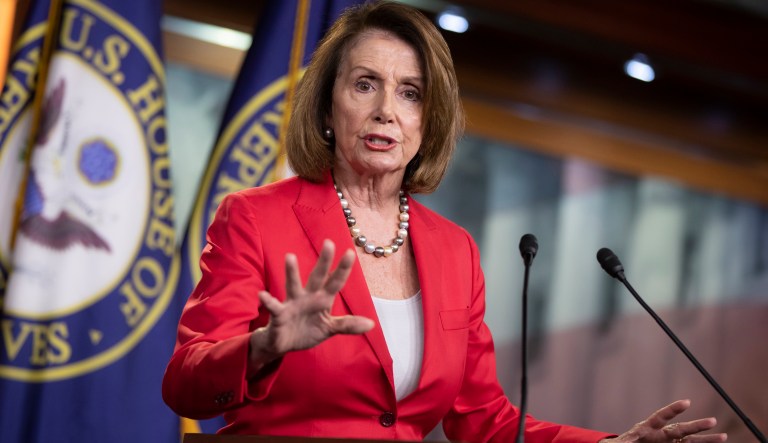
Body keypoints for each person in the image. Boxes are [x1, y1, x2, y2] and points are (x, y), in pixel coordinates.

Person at [162, 2, 728, 442]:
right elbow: (184, 383)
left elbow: (483, 421)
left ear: (427, 121)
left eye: (410, 93)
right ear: (328, 105)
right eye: (365, 85)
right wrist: (264, 347)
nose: (387, 108)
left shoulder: (453, 249)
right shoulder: (256, 216)